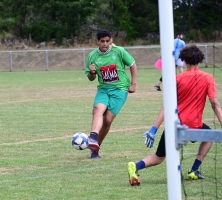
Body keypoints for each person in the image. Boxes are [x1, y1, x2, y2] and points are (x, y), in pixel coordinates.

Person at [127, 44, 222, 185]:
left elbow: (167, 106)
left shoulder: (176, 79)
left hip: (174, 126)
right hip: (195, 125)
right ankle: (194, 170)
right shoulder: (208, 77)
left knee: (159, 157)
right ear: (200, 59)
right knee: (209, 137)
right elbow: (214, 104)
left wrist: (154, 129)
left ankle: (136, 166)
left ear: (183, 60)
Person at [85, 29, 137, 159]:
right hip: (103, 88)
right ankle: (93, 138)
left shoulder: (119, 51)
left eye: (107, 41)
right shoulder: (92, 56)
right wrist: (92, 72)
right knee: (97, 109)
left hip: (120, 89)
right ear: (97, 42)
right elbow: (91, 78)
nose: (105, 43)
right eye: (102, 41)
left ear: (111, 41)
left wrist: (134, 84)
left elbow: (132, 64)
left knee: (107, 120)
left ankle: (96, 146)